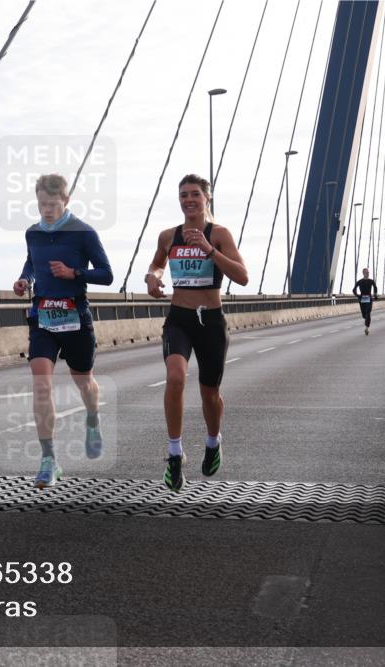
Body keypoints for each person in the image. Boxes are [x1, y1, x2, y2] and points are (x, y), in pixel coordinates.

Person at [145, 174, 248, 490]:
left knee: (210, 394)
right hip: (179, 318)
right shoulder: (167, 236)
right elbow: (157, 265)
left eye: (194, 194)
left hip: (212, 323)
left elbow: (242, 276)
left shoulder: (218, 234)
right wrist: (152, 278)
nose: (188, 200)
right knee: (175, 378)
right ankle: (175, 454)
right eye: (183, 195)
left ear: (207, 199)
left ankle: (213, 441)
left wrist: (209, 250)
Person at [13, 174, 113, 488]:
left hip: (75, 316)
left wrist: (74, 273)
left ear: (66, 202)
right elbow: (32, 262)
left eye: (53, 205)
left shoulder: (84, 232)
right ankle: (49, 459)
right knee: (41, 384)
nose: (47, 210)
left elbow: (107, 274)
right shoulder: (33, 233)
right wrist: (24, 280)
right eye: (42, 204)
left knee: (83, 381)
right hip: (43, 316)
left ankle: (93, 418)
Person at [352, 268, 378, 335]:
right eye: (366, 272)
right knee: (364, 314)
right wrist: (358, 296)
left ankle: (367, 328)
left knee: (368, 312)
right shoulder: (360, 281)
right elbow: (354, 289)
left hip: (369, 298)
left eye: (368, 272)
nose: (368, 274)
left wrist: (375, 295)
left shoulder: (371, 281)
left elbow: (375, 287)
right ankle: (366, 320)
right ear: (363, 273)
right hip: (362, 299)